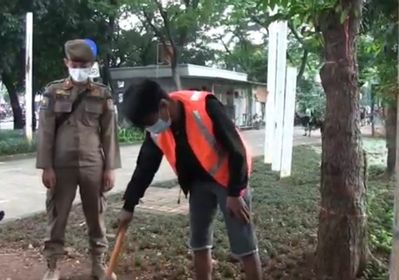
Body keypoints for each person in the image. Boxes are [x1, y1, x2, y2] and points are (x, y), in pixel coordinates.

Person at [119, 79, 262, 280]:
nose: (150, 129)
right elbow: (145, 167)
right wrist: (129, 204)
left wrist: (235, 192)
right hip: (197, 184)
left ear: (163, 105)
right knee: (199, 243)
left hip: (229, 181)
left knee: (244, 244)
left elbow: (236, 149)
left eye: (150, 122)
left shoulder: (204, 106)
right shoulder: (156, 130)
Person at [36, 39, 121, 280]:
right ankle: (53, 266)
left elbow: (109, 134)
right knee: (57, 216)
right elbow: (46, 132)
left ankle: (98, 263)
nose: (79, 68)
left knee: (96, 216)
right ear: (66, 63)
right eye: (75, 63)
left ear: (92, 65)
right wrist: (47, 167)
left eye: (84, 64)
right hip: (61, 166)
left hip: (93, 164)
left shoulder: (102, 94)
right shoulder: (53, 92)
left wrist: (110, 169)